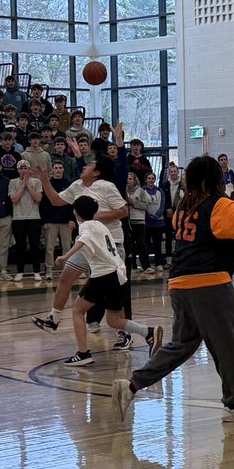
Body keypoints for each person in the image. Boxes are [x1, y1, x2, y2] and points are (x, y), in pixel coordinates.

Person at [110, 155, 234, 424]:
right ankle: (233, 404)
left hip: (178, 284)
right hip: (210, 284)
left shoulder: (185, 205)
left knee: (182, 345)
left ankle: (132, 385)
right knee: (229, 346)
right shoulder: (219, 205)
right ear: (214, 179)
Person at [32, 156, 133, 348]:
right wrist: (44, 180)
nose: (85, 166)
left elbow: (123, 211)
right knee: (65, 277)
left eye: (90, 165)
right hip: (86, 243)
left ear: (96, 172)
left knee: (114, 291)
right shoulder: (77, 185)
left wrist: (98, 216)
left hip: (108, 244)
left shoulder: (106, 186)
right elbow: (55, 200)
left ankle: (124, 334)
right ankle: (54, 318)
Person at [56, 196, 161, 368]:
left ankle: (83, 353)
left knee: (77, 311)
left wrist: (65, 256)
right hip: (119, 274)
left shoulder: (86, 226)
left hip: (104, 275)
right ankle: (148, 332)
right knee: (113, 319)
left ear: (76, 212)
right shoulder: (100, 225)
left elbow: (84, 239)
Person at [9, 160, 43, 282]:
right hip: (18, 218)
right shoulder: (13, 182)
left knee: (35, 246)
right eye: (21, 168)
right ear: (18, 170)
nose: (23, 170)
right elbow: (14, 199)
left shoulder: (37, 182)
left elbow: (38, 198)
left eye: (25, 168)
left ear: (29, 169)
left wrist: (28, 184)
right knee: (20, 247)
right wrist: (22, 185)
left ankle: (37, 271)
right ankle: (20, 272)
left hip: (34, 218)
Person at [41, 162, 74, 281]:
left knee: (67, 247)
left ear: (63, 170)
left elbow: (72, 203)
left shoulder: (69, 184)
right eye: (56, 168)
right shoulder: (48, 184)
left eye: (60, 168)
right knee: (49, 247)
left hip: (66, 221)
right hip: (51, 221)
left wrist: (72, 219)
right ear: (52, 170)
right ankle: (49, 269)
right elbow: (43, 204)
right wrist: (45, 220)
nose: (58, 170)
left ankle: (67, 270)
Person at [160, 162, 184, 266]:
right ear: (169, 173)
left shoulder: (182, 184)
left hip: (180, 213)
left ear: (178, 172)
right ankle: (169, 258)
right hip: (168, 214)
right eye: (171, 171)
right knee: (168, 236)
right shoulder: (164, 184)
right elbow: (163, 198)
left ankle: (180, 257)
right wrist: (168, 208)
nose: (173, 173)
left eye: (175, 171)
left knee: (180, 235)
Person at [142, 172, 166, 272]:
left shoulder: (159, 190)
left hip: (158, 222)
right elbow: (142, 204)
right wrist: (148, 215)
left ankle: (159, 263)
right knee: (146, 244)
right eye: (149, 178)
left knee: (157, 244)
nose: (151, 180)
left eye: (153, 178)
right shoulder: (142, 191)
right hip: (147, 223)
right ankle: (147, 265)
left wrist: (157, 215)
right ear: (146, 180)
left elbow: (163, 204)